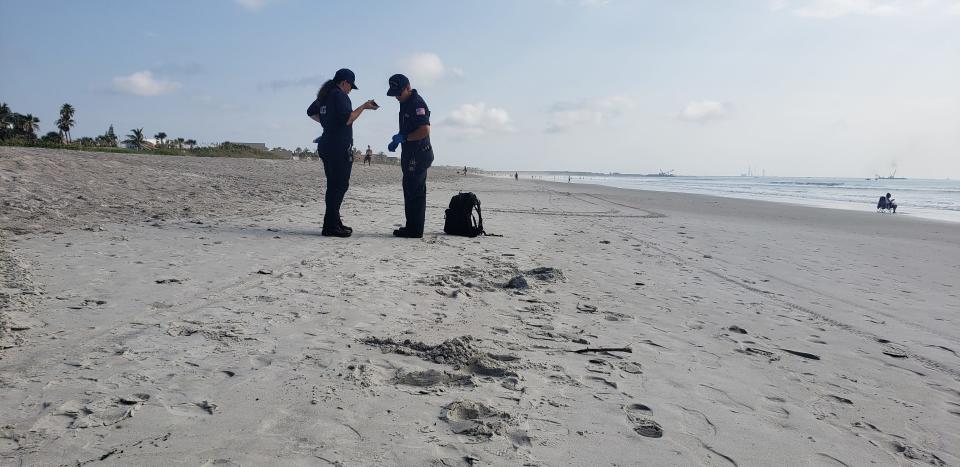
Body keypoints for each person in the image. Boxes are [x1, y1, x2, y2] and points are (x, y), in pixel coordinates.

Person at [307, 68, 377, 237]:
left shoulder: (325, 94)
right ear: (345, 82)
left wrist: (327, 124)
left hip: (326, 143)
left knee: (333, 185)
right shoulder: (339, 95)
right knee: (339, 186)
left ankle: (333, 221)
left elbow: (311, 112)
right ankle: (330, 226)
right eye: (351, 86)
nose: (351, 90)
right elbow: (349, 118)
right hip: (338, 146)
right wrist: (365, 106)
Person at [386, 73, 433, 238]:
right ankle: (411, 226)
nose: (396, 97)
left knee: (416, 192)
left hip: (419, 154)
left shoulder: (417, 103)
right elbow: (409, 126)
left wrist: (404, 138)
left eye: (399, 93)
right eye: (394, 94)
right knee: (409, 189)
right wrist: (398, 139)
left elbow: (424, 130)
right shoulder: (405, 103)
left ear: (408, 88)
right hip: (410, 153)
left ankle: (415, 230)